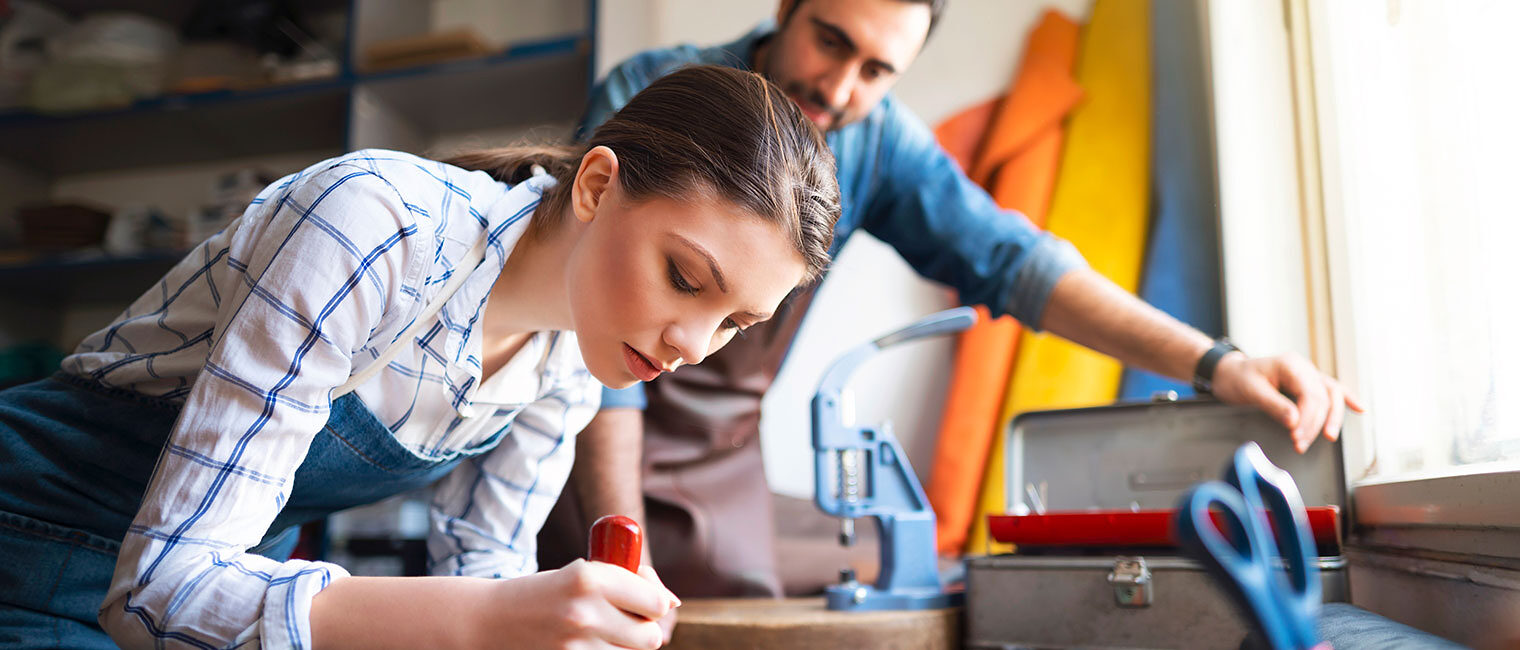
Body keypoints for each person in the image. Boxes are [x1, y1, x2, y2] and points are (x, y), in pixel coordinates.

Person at [539, 0, 1364, 604]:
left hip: (722, 457)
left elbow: (1023, 266)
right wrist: (621, 544)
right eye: (830, 41)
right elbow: (594, 350)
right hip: (583, 436)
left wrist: (1218, 364)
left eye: (876, 70)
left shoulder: (874, 140)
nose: (837, 87)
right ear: (787, 10)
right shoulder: (656, 89)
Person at [0, 64, 838, 650]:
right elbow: (159, 593)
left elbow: (487, 570)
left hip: (204, 600)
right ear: (594, 187)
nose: (690, 347)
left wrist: (541, 628)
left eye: (735, 323)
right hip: (30, 547)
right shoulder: (374, 227)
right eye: (684, 277)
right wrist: (482, 624)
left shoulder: (573, 360)